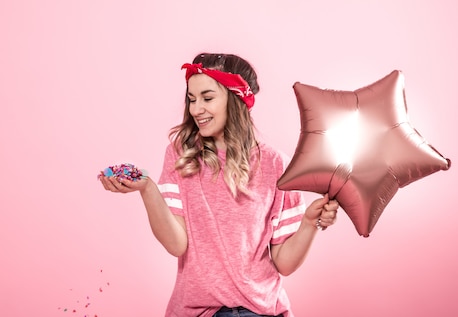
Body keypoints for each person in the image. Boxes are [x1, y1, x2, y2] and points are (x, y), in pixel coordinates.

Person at [99, 53, 339, 317]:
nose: (195, 109)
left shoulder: (277, 165)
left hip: (258, 310)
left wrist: (309, 224)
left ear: (236, 100)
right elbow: (176, 244)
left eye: (207, 98)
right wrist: (147, 189)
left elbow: (284, 262)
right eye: (192, 99)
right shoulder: (180, 156)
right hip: (197, 311)